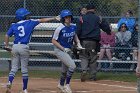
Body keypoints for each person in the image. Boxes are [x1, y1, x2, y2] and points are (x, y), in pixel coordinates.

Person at [4, 8, 59, 93]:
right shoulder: (30, 22)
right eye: (26, 15)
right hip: (24, 47)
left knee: (14, 67)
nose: (28, 16)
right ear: (24, 16)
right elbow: (42, 20)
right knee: (24, 69)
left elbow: (7, 35)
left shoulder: (14, 25)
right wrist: (54, 18)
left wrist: (7, 45)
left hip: (15, 46)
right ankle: (24, 89)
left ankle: (9, 82)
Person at [76, 4, 111, 82]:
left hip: (83, 41)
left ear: (87, 9)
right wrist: (108, 32)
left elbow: (78, 30)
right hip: (94, 42)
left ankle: (84, 70)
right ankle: (92, 76)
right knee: (93, 58)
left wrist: (76, 40)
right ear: (94, 9)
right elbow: (105, 26)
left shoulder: (81, 18)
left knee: (83, 56)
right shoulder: (98, 18)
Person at [52, 10, 83, 93]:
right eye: (66, 17)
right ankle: (67, 85)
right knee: (73, 66)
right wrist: (63, 48)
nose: (68, 18)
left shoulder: (73, 26)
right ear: (63, 18)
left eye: (69, 17)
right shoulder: (60, 28)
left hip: (68, 50)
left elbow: (74, 35)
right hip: (60, 50)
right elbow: (53, 41)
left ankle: (61, 85)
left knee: (64, 71)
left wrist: (78, 43)